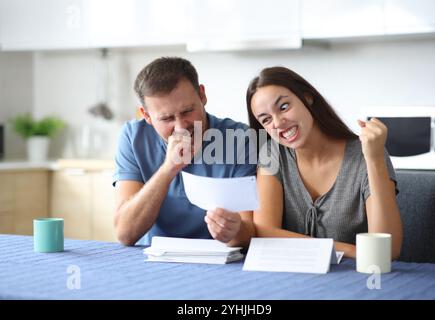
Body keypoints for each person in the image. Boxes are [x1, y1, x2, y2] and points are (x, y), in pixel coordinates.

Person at [246, 66, 403, 258]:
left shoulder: (366, 154)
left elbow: (386, 251)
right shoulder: (272, 155)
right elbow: (263, 234)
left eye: (284, 107)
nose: (278, 123)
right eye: (266, 120)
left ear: (307, 97)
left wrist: (375, 158)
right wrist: (350, 250)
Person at [113, 57, 256, 247]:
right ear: (146, 115)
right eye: (166, 118)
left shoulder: (242, 138)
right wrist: (168, 169)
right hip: (156, 261)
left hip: (223, 261)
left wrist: (235, 230)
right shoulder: (133, 137)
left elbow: (250, 233)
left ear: (202, 95)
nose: (181, 126)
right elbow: (125, 234)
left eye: (187, 111)